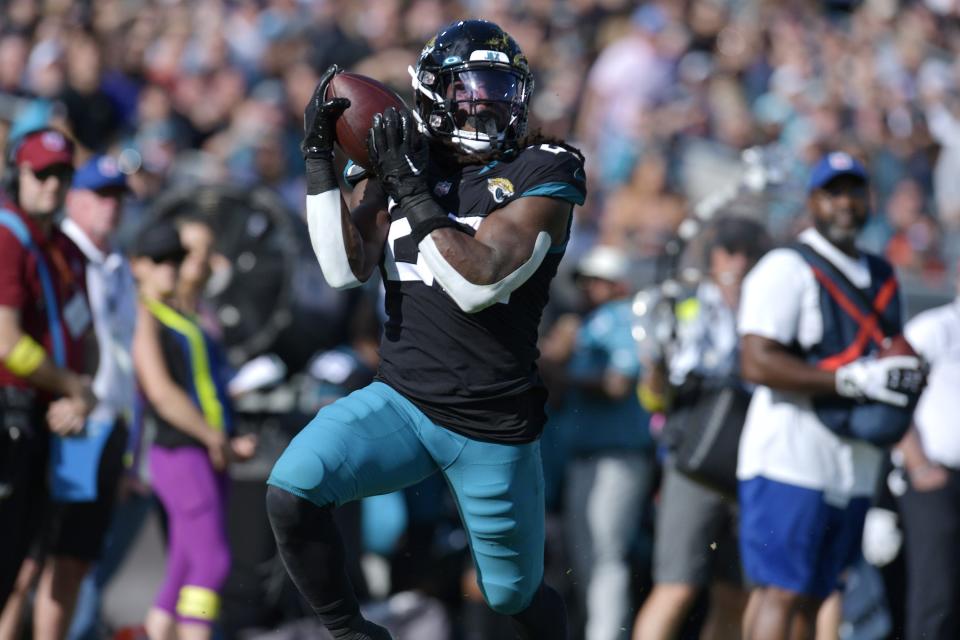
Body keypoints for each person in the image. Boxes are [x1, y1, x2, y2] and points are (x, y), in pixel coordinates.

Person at [265, 19, 587, 640]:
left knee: (512, 595)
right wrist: (318, 164)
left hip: (494, 425)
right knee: (290, 490)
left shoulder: (544, 166)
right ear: (433, 92)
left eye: (498, 87)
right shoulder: (401, 155)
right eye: (469, 87)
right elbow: (343, 268)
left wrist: (409, 185)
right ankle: (353, 633)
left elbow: (479, 283)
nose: (486, 102)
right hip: (404, 402)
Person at [735, 151, 926, 640]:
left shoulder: (883, 274)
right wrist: (852, 380)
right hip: (790, 453)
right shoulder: (786, 266)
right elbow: (755, 361)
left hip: (855, 462)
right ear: (814, 200)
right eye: (833, 192)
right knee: (780, 590)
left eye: (854, 192)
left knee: (820, 591)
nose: (845, 203)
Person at [0, 154, 136, 640]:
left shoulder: (115, 262)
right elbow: (15, 338)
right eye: (101, 196)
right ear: (74, 200)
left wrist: (129, 438)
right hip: (62, 421)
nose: (112, 208)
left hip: (101, 423)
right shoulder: (54, 251)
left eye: (119, 198)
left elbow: (108, 350)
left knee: (74, 557)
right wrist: (71, 392)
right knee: (30, 559)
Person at [633, 216, 768, 640]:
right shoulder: (685, 305)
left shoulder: (768, 311)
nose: (739, 261)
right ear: (713, 258)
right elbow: (654, 397)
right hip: (693, 464)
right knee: (676, 586)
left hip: (749, 467)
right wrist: (654, 364)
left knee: (737, 594)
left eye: (748, 252)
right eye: (730, 250)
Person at [130, 219, 251, 640]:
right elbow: (161, 393)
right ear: (139, 265)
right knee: (211, 563)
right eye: (161, 260)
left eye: (176, 259)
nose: (172, 268)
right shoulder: (145, 313)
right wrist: (213, 435)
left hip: (198, 450)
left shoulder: (180, 313)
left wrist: (223, 436)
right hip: (178, 451)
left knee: (182, 567)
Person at [0, 128, 96, 612]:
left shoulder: (66, 249)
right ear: (19, 172)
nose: (52, 186)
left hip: (48, 422)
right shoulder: (6, 236)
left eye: (61, 175)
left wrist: (81, 395)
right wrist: (73, 387)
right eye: (41, 174)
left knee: (23, 564)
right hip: (10, 417)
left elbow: (87, 338)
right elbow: (6, 342)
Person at [542, 244, 655, 640]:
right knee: (588, 559)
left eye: (598, 280)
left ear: (618, 285)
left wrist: (561, 371)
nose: (589, 288)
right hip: (585, 457)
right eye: (585, 280)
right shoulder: (586, 324)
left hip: (617, 458)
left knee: (606, 556)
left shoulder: (622, 318)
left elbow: (617, 383)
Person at [895, 275, 960, 640]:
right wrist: (917, 462)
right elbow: (889, 395)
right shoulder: (934, 328)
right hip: (935, 480)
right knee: (937, 597)